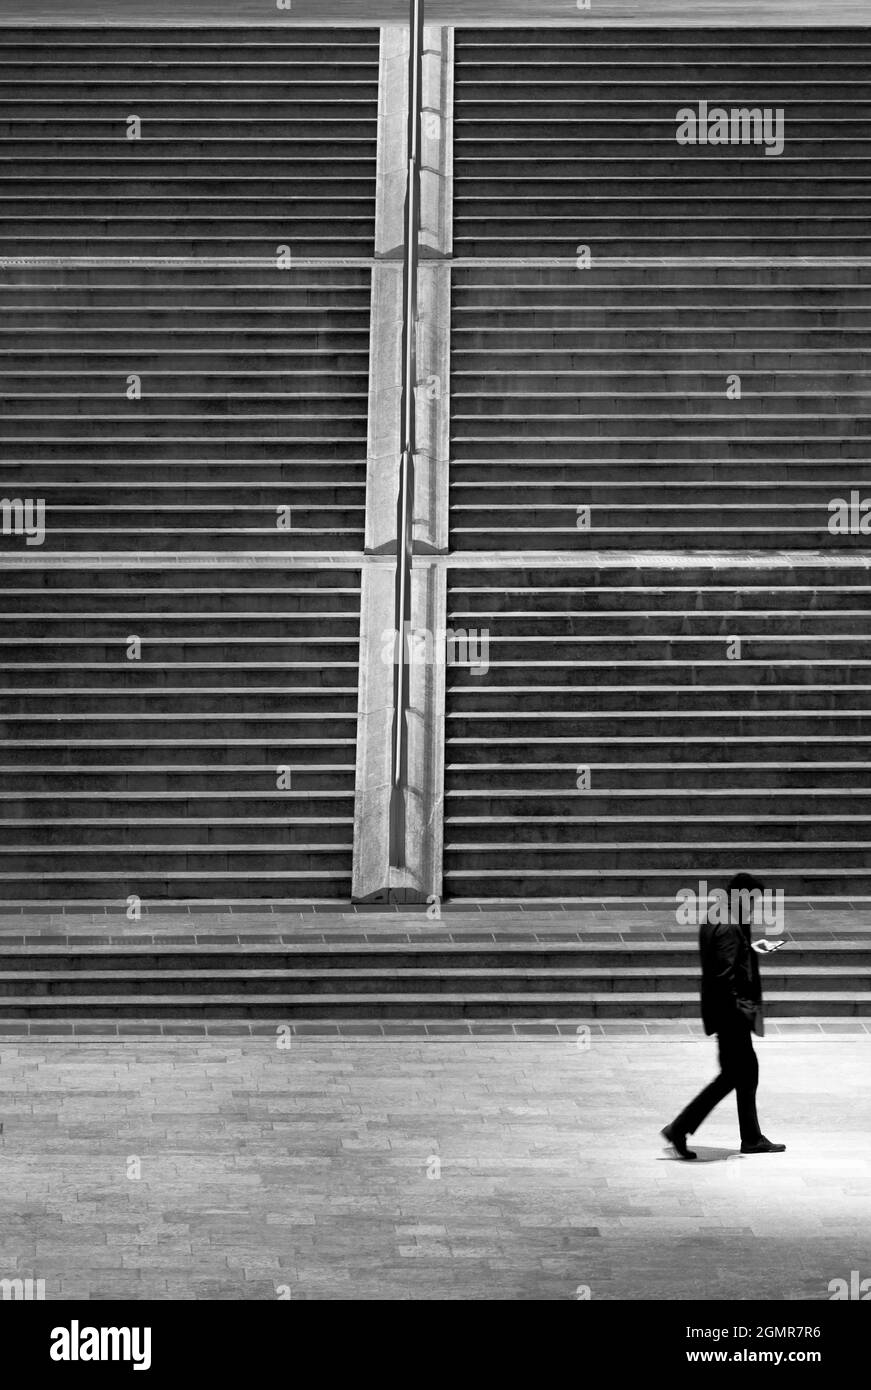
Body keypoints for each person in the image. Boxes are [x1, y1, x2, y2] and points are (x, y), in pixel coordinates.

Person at [661, 872, 786, 1160]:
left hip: (724, 1013)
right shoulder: (729, 926)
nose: (755, 908)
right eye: (753, 901)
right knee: (731, 1077)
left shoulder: (718, 916)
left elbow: (725, 960)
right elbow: (724, 977)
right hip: (731, 1015)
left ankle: (751, 1137)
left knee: (745, 1072)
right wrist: (739, 1015)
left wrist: (750, 950)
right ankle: (680, 1127)